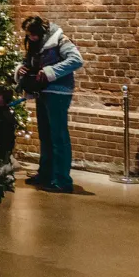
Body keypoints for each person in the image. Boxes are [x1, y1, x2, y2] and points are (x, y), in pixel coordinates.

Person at [16, 15, 84, 193]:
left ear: (41, 31)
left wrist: (51, 71)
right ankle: (46, 174)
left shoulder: (59, 39)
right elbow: (30, 61)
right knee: (45, 135)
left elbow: (76, 60)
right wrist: (21, 68)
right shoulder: (36, 43)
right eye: (28, 35)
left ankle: (62, 179)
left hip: (58, 92)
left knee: (58, 136)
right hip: (42, 91)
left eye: (32, 34)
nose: (30, 38)